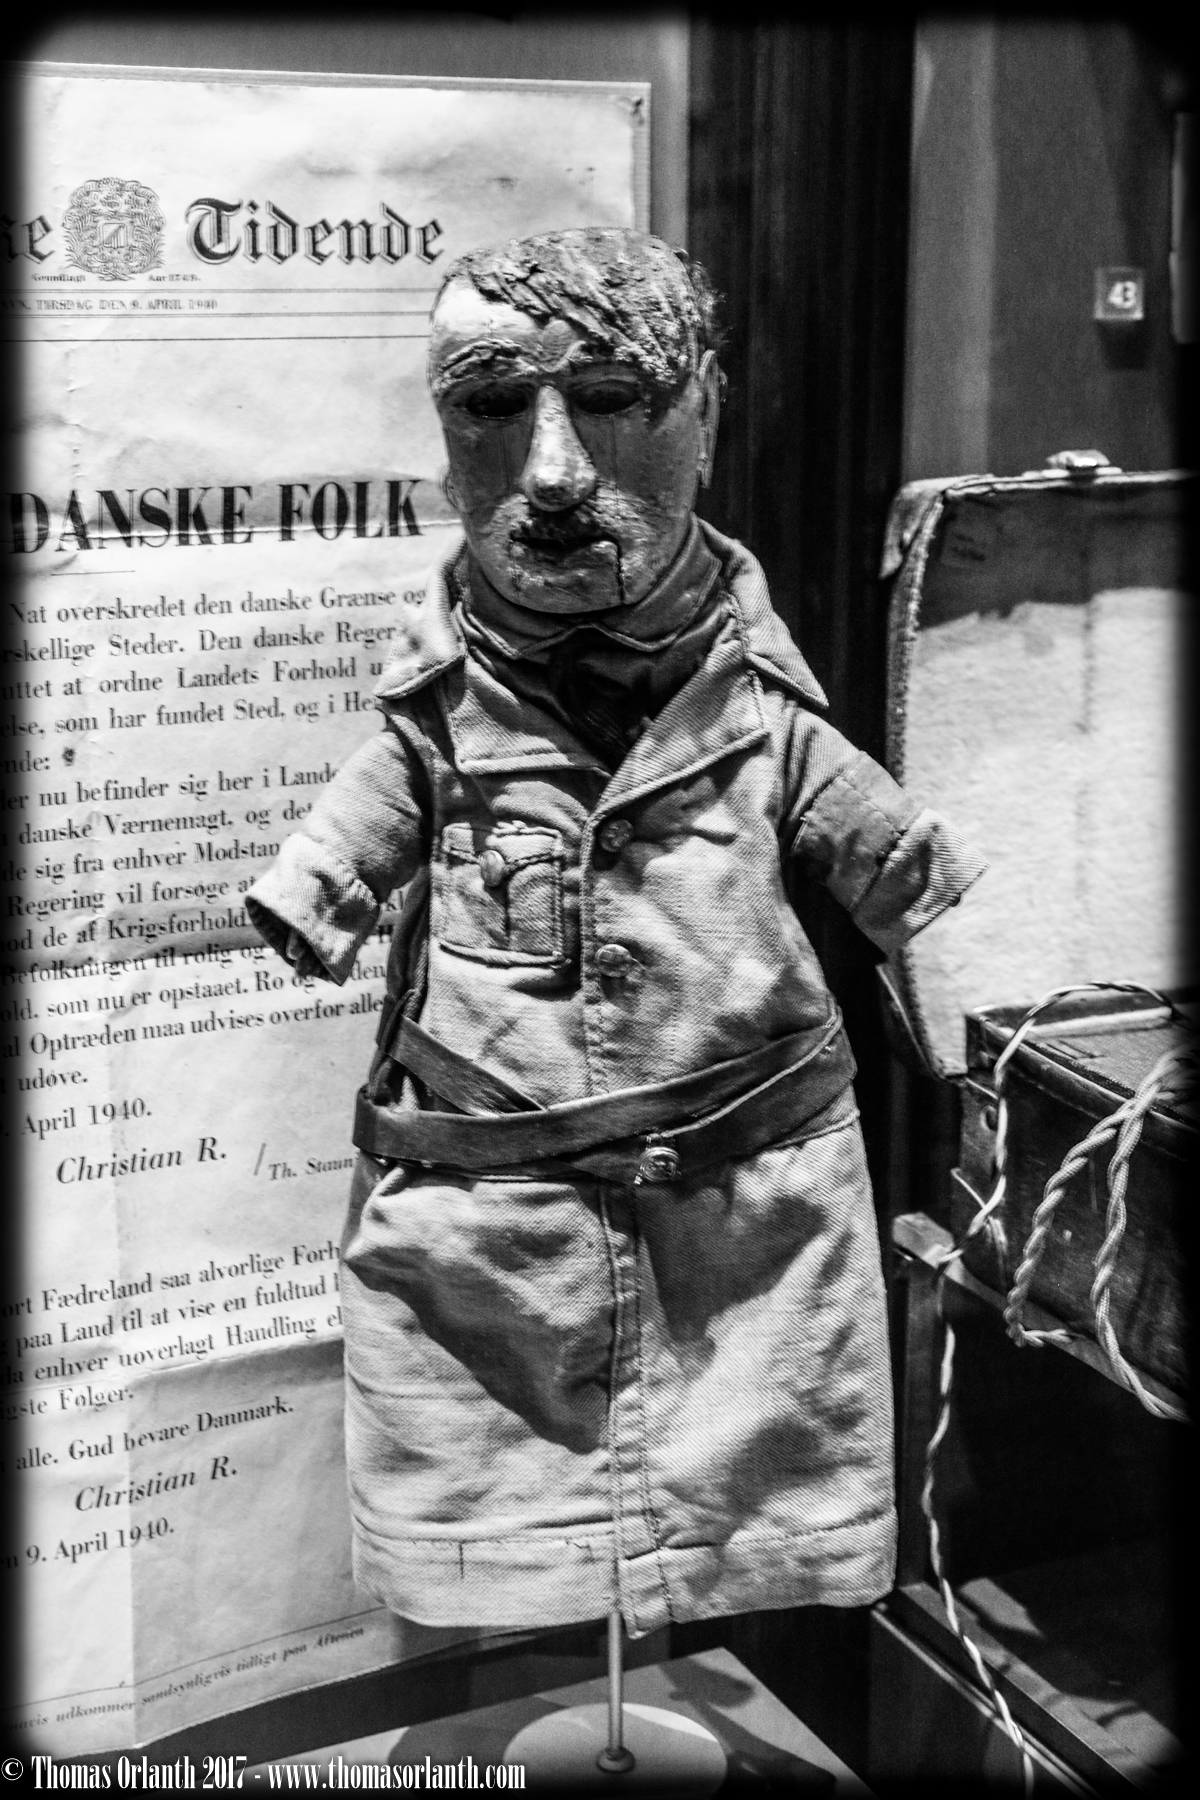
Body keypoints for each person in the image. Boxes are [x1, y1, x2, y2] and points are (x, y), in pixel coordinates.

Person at [246, 227, 985, 1637]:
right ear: (443, 438)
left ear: (705, 420)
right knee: (486, 1500)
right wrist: (311, 899)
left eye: (612, 400)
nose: (552, 472)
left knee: (761, 1487)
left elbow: (905, 882)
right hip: (492, 1246)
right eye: (491, 405)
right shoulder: (432, 736)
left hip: (752, 1244)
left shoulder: (768, 725)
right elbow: (332, 867)